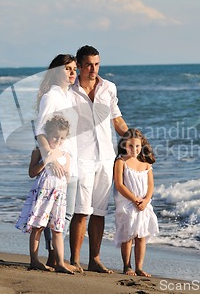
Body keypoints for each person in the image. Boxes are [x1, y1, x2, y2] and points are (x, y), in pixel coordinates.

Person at [69, 45, 129, 273]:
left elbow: (117, 119)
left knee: (99, 212)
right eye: (88, 65)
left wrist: (133, 136)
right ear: (79, 64)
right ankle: (75, 260)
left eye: (96, 64)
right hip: (80, 159)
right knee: (81, 210)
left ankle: (94, 259)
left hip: (106, 158)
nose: (93, 69)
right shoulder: (69, 91)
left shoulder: (109, 88)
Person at [34, 54, 79, 269]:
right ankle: (54, 257)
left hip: (70, 161)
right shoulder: (51, 96)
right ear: (55, 72)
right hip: (55, 166)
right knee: (51, 213)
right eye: (67, 69)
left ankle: (58, 257)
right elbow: (40, 131)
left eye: (74, 69)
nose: (72, 73)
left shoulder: (68, 95)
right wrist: (51, 160)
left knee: (66, 212)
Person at [16, 115, 74, 274]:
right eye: (55, 136)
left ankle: (60, 262)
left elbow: (67, 177)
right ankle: (34, 260)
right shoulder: (38, 152)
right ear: (46, 135)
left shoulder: (66, 155)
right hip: (43, 194)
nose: (58, 140)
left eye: (62, 138)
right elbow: (32, 172)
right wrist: (46, 161)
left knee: (58, 229)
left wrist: (65, 174)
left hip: (59, 195)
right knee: (38, 226)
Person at [113, 128, 159, 277]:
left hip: (143, 204)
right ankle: (127, 265)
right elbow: (119, 184)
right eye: (131, 146)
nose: (134, 149)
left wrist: (146, 200)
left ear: (142, 146)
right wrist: (134, 199)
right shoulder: (121, 161)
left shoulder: (145, 163)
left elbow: (151, 185)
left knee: (141, 235)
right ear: (125, 145)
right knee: (128, 234)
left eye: (137, 146)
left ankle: (139, 267)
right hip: (127, 202)